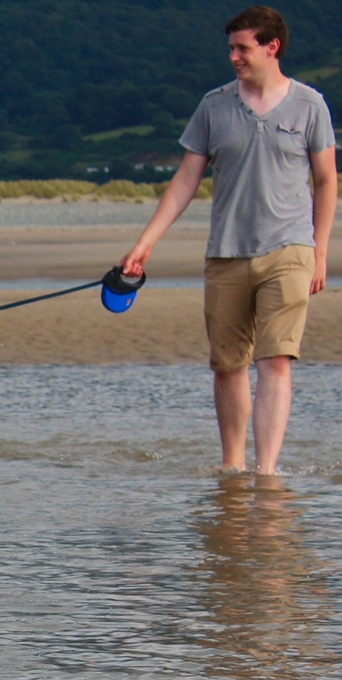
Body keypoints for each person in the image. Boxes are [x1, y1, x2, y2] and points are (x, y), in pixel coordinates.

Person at [121, 5, 336, 475]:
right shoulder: (214, 106)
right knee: (228, 365)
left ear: (271, 47)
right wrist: (145, 245)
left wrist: (320, 251)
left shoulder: (309, 104)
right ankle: (234, 467)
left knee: (276, 360)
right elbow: (184, 182)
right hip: (226, 253)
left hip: (290, 249)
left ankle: (267, 472)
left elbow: (326, 180)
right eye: (231, 48)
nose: (234, 56)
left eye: (242, 47)